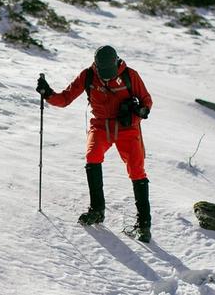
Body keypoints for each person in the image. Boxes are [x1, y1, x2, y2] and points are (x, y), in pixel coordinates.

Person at [36, 45, 153, 243]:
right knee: (92, 157)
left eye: (110, 73)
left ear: (117, 63)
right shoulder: (88, 76)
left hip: (128, 128)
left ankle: (144, 225)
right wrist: (47, 93)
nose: (106, 77)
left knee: (136, 170)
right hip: (100, 126)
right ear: (96, 66)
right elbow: (65, 99)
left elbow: (146, 100)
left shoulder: (130, 75)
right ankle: (97, 210)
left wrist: (142, 110)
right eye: (103, 73)